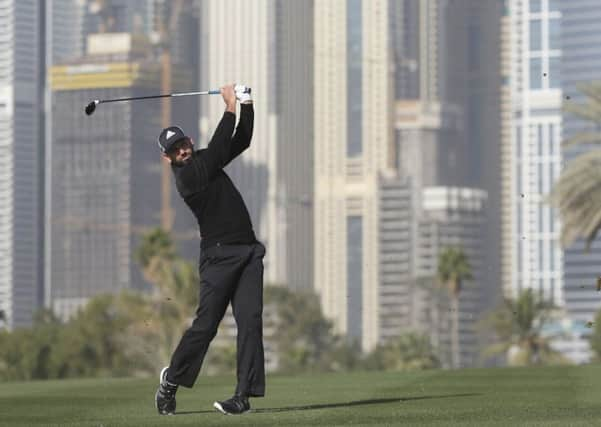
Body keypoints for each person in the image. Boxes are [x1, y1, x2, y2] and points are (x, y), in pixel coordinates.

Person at [154, 83, 265, 416]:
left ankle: (242, 396)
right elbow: (218, 149)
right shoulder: (188, 179)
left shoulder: (205, 160)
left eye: (184, 144)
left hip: (248, 252)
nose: (183, 152)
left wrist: (246, 104)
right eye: (176, 150)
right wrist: (229, 105)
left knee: (250, 322)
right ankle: (170, 382)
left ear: (189, 141)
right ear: (168, 158)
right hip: (218, 258)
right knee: (206, 326)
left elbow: (240, 141)